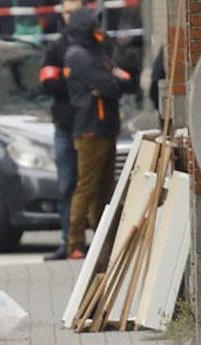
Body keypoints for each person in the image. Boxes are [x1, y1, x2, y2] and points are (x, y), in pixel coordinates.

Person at [64, 7, 134, 258]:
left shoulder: (95, 52)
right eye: (95, 26)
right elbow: (110, 85)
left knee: (104, 189)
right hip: (91, 129)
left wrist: (111, 81)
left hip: (104, 127)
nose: (100, 31)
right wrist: (110, 81)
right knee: (87, 187)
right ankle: (75, 242)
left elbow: (123, 81)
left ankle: (102, 238)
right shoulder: (80, 55)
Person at [39, 0, 86, 261]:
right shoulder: (57, 47)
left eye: (75, 11)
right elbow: (48, 83)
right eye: (67, 12)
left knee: (93, 188)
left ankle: (91, 240)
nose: (71, 17)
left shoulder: (97, 42)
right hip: (66, 126)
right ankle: (69, 242)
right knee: (67, 185)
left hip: (92, 125)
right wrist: (76, 82)